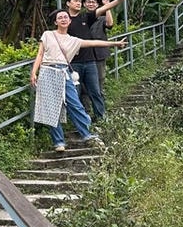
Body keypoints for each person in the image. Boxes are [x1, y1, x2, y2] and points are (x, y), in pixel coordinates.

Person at [31, 9, 128, 152]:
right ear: (55, 22)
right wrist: (34, 72)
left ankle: (86, 134)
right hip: (47, 71)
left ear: (70, 21)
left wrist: (115, 43)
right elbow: (40, 54)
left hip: (64, 72)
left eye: (65, 17)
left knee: (75, 104)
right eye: (60, 17)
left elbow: (94, 43)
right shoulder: (48, 34)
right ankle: (59, 142)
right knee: (52, 108)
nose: (63, 19)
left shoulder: (73, 40)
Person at [68, 0, 128, 121]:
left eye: (79, 1)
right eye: (76, 1)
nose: (78, 3)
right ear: (68, 3)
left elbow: (107, 20)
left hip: (92, 59)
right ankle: (83, 118)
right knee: (78, 92)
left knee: (96, 90)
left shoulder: (87, 17)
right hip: (74, 62)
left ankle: (100, 118)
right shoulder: (65, 19)